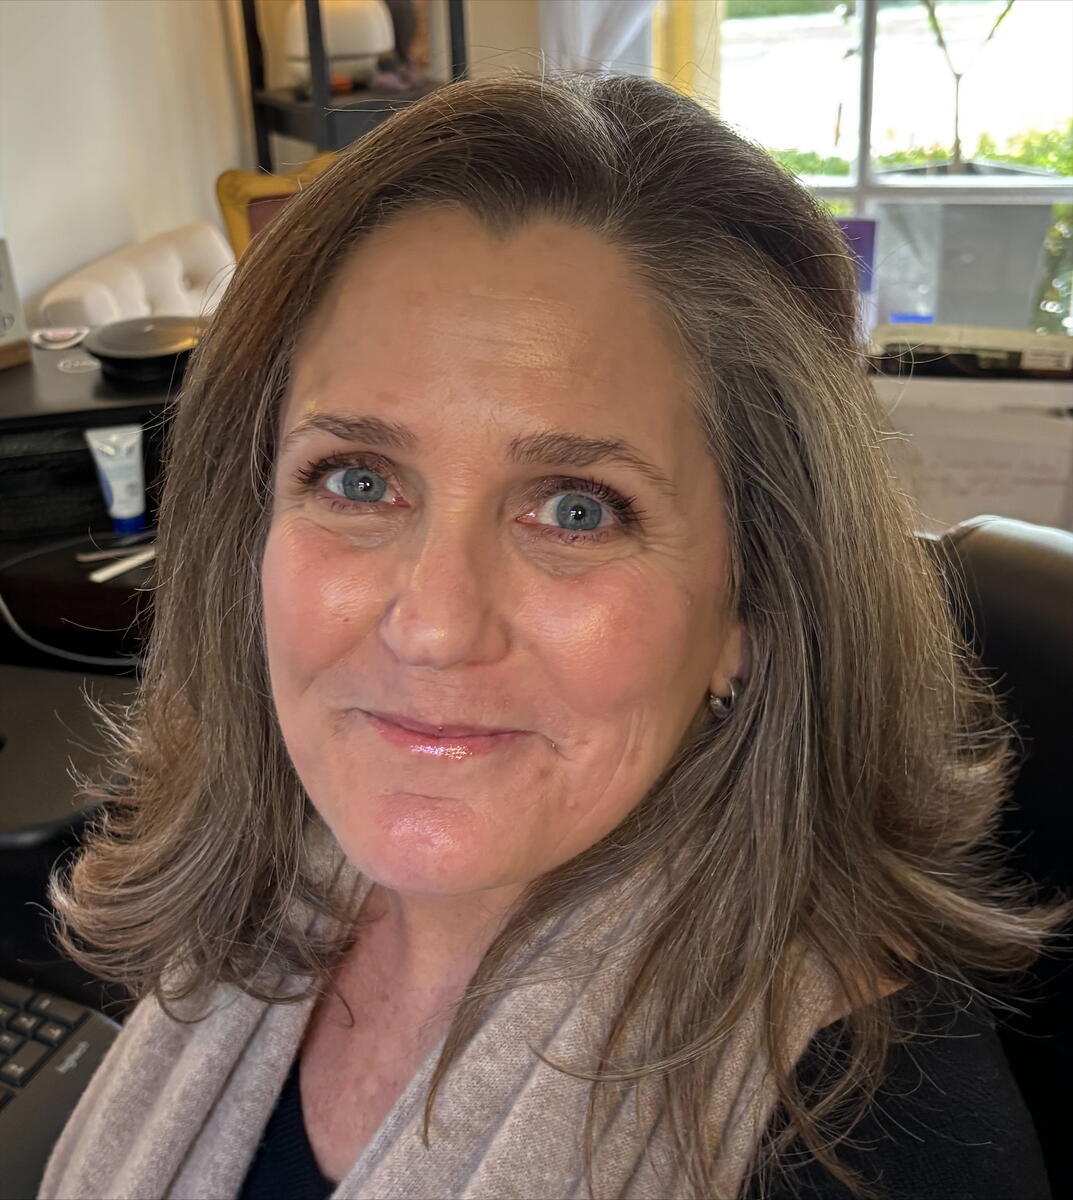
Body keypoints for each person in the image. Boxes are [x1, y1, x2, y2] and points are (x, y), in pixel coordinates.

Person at [38, 73, 1062, 1200]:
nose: (431, 625)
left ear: (752, 609)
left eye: (576, 506)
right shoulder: (250, 883)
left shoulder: (875, 1142)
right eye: (357, 478)